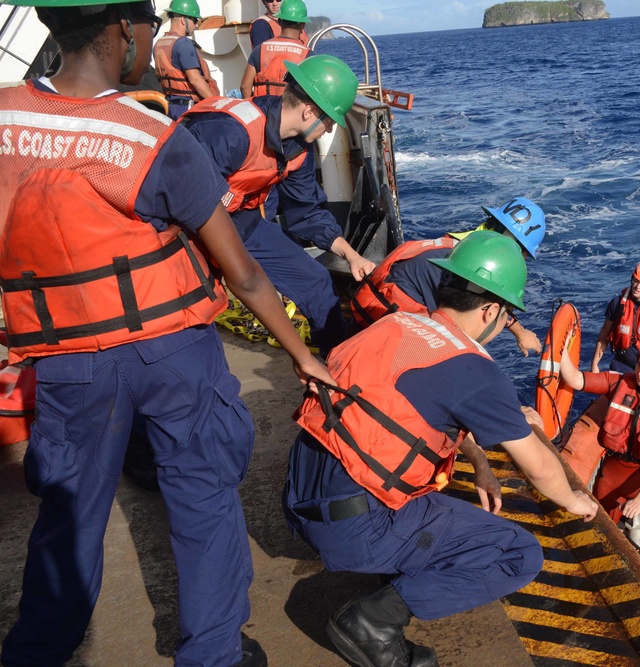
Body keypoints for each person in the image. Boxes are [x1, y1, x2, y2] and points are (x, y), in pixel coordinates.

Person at [0, 1, 335, 665]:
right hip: (170, 351)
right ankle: (213, 653)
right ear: (125, 29)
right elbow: (241, 273)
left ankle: (35, 652)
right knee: (204, 497)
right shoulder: (150, 137)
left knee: (68, 514)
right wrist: (302, 354)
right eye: (148, 29)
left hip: (67, 358)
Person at [284, 232, 598, 666]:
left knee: (425, 490)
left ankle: (387, 567)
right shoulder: (472, 367)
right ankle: (372, 622)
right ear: (490, 310)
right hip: (351, 529)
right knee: (518, 552)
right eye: (505, 315)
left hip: (300, 499)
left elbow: (406, 413)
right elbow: (542, 468)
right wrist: (575, 499)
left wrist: (480, 462)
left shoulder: (395, 324)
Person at [182, 54, 375, 356]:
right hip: (187, 228)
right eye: (328, 122)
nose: (328, 131)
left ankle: (336, 366)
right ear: (310, 111)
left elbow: (306, 213)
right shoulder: (230, 132)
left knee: (317, 282)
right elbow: (177, 195)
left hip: (240, 220)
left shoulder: (299, 150)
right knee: (195, 305)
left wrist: (352, 256)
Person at [349, 196, 547, 355]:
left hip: (373, 313)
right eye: (523, 254)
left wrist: (519, 332)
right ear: (511, 244)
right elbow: (466, 323)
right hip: (378, 333)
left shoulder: (463, 248)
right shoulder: (461, 266)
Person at [559, 336, 640, 564]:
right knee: (598, 523)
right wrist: (560, 345)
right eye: (639, 364)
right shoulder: (618, 382)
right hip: (612, 472)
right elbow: (576, 379)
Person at [152, 0, 220, 119]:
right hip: (188, 109)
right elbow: (195, 80)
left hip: (171, 107)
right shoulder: (183, 44)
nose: (197, 25)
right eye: (194, 20)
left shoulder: (160, 43)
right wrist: (216, 104)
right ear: (184, 19)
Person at [239, 0, 310, 101]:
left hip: (263, 105)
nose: (275, 3)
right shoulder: (307, 53)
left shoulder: (260, 50)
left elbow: (245, 86)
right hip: (291, 107)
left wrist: (251, 108)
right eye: (270, 0)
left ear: (280, 21)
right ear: (303, 25)